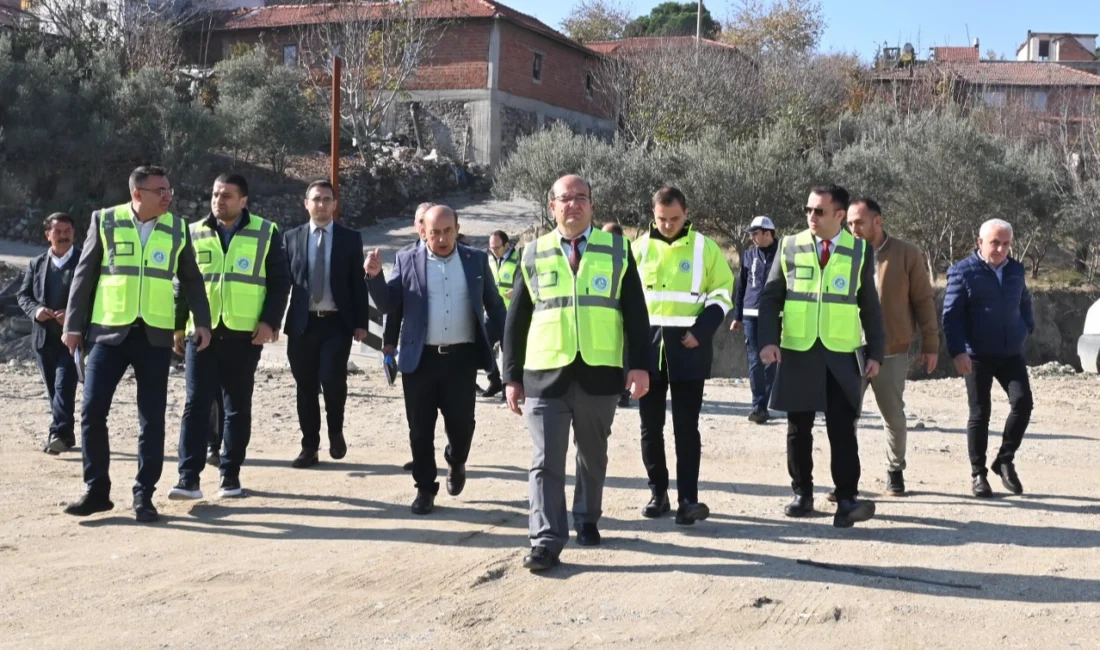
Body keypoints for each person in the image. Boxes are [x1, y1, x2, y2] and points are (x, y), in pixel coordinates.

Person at [503, 174, 651, 571]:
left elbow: (636, 313)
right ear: (552, 206)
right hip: (544, 375)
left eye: (581, 198)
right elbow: (516, 320)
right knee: (546, 461)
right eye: (565, 199)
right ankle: (546, 540)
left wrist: (640, 365)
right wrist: (511, 376)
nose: (573, 205)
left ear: (592, 204)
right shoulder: (532, 253)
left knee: (592, 454)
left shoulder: (618, 249)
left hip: (599, 374)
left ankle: (586, 517)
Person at [61, 166, 212, 522]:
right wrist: (72, 325)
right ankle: (97, 491)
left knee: (151, 418)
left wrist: (201, 323)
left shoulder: (177, 228)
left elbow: (191, 280)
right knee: (92, 411)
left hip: (155, 336)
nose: (167, 196)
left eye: (169, 189)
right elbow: (84, 276)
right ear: (137, 193)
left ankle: (144, 495)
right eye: (159, 190)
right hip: (108, 333)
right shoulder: (105, 220)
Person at [757, 184, 884, 528]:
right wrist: (767, 340)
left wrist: (876, 352)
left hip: (841, 353)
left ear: (840, 216)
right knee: (799, 428)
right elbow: (770, 299)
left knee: (843, 428)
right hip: (798, 349)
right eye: (808, 210)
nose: (811, 217)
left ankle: (846, 497)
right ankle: (802, 494)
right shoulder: (789, 245)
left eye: (819, 211)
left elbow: (870, 306)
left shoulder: (858, 250)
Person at [373, 205, 506, 514]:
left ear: (457, 229)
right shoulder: (407, 260)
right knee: (419, 429)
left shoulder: (475, 260)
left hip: (461, 360)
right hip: (420, 360)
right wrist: (375, 278)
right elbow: (391, 305)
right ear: (423, 232)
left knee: (462, 426)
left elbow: (495, 306)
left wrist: (500, 338)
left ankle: (456, 460)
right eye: (435, 232)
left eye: (448, 231)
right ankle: (424, 488)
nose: (443, 238)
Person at [167, 173, 291, 500]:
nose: (219, 201)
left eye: (227, 196)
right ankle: (188, 478)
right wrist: (178, 326)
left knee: (236, 406)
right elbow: (182, 285)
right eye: (215, 194)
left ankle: (229, 475)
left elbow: (280, 283)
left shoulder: (266, 232)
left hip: (244, 334)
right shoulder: (193, 232)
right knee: (195, 404)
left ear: (243, 201)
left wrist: (269, 322)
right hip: (201, 333)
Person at [633, 187, 734, 525]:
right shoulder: (639, 249)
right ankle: (657, 493)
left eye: (674, 218)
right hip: (648, 351)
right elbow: (627, 302)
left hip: (689, 349)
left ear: (686, 212)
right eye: (661, 218)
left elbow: (721, 293)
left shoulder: (706, 248)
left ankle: (688, 500)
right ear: (653, 212)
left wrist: (702, 330)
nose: (668, 224)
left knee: (686, 429)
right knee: (650, 428)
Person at [846, 198, 939, 497]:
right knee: (845, 416)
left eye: (859, 222)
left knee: (893, 416)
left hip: (891, 349)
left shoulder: (906, 253)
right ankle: (846, 477)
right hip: (848, 348)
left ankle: (895, 472)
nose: (853, 228)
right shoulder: (842, 252)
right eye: (849, 223)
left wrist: (931, 343)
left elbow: (923, 300)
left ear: (878, 221)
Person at [283, 180, 376, 468]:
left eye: (327, 199)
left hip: (337, 324)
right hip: (302, 324)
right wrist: (269, 321)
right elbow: (279, 284)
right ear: (306, 203)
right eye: (316, 199)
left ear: (335, 205)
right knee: (305, 386)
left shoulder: (349, 238)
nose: (321, 204)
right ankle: (309, 445)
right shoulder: (291, 238)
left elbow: (357, 285)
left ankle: (335, 429)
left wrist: (361, 323)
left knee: (332, 379)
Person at [942, 219, 1034, 498]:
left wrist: (1026, 326)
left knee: (1023, 403)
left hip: (1010, 353)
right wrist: (958, 351)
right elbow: (951, 316)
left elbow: (1024, 300)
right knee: (980, 413)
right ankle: (978, 475)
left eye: (1006, 243)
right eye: (995, 242)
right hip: (977, 354)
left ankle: (1004, 459)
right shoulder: (962, 272)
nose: (1001, 248)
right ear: (980, 242)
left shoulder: (1016, 270)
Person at [18, 213, 80, 455]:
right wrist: (37, 310)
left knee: (64, 385)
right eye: (58, 232)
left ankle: (57, 433)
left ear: (74, 233)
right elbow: (23, 295)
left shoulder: (85, 260)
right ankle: (66, 435)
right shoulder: (37, 264)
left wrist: (74, 316)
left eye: (67, 231)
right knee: (53, 389)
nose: (63, 236)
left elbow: (96, 296)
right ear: (48, 235)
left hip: (73, 338)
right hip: (44, 338)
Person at [731, 216, 779, 423]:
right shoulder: (749, 255)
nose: (751, 238)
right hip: (751, 314)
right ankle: (758, 406)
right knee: (754, 360)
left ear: (768, 233)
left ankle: (765, 400)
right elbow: (741, 287)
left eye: (755, 233)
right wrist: (737, 316)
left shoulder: (783, 255)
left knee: (771, 361)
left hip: (776, 315)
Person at [478, 229, 517, 399]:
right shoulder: (488, 260)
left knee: (508, 352)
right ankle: (494, 380)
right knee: (482, 343)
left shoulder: (520, 259)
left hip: (511, 313)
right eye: (491, 248)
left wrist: (517, 291)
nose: (494, 251)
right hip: (492, 312)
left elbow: (531, 280)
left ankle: (509, 386)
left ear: (507, 245)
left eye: (497, 247)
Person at [602, 222, 632, 408]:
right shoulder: (600, 255)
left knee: (624, 356)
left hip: (622, 315)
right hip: (605, 316)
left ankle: (624, 394)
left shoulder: (626, 255)